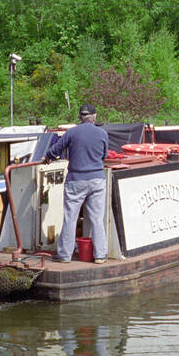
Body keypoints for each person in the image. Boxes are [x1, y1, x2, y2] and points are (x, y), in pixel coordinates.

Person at [42, 103, 110, 263]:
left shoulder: (71, 133)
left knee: (70, 218)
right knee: (97, 219)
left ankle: (65, 256)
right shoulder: (102, 134)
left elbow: (54, 150)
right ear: (94, 117)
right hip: (96, 180)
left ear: (80, 117)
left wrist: (47, 158)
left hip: (76, 180)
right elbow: (104, 155)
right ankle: (100, 255)